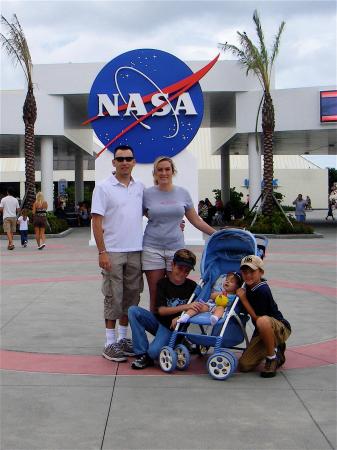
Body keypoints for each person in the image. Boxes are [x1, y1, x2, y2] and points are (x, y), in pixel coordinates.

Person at [91, 145, 144, 363]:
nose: (124, 162)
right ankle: (109, 342)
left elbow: (149, 212)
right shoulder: (103, 188)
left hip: (135, 251)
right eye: (120, 159)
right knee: (113, 296)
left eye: (128, 158)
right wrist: (102, 251)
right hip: (112, 251)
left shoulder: (139, 187)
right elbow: (96, 221)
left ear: (134, 162)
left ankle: (123, 338)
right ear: (113, 162)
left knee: (132, 296)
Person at [142, 156, 216, 312]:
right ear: (155, 173)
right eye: (159, 170)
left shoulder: (183, 193)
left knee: (175, 293)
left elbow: (196, 220)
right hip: (151, 249)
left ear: (172, 171)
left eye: (167, 169)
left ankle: (174, 332)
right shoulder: (147, 194)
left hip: (175, 250)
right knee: (155, 295)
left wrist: (217, 235)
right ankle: (156, 332)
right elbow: (137, 217)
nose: (163, 173)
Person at [128, 249, 198, 369]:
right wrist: (186, 306)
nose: (182, 273)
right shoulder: (163, 283)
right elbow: (161, 311)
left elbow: (201, 305)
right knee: (133, 311)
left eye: (187, 271)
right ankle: (142, 353)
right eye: (180, 268)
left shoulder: (193, 286)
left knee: (154, 353)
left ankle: (154, 352)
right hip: (159, 322)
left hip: (172, 328)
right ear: (172, 265)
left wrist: (181, 316)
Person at [236, 255, 291, 378]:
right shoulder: (247, 286)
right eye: (244, 272)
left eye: (252, 272)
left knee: (261, 321)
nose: (248, 275)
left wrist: (244, 299)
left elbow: (256, 318)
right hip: (262, 330)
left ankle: (272, 357)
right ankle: (274, 348)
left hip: (278, 326)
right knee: (244, 365)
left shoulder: (262, 290)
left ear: (261, 272)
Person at [176, 272, 243, 326]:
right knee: (198, 306)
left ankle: (215, 318)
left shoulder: (234, 296)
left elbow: (229, 303)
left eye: (231, 282)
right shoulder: (220, 291)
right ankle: (186, 316)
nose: (227, 282)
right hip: (210, 305)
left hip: (222, 308)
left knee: (220, 308)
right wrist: (219, 294)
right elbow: (211, 296)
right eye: (226, 280)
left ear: (237, 286)